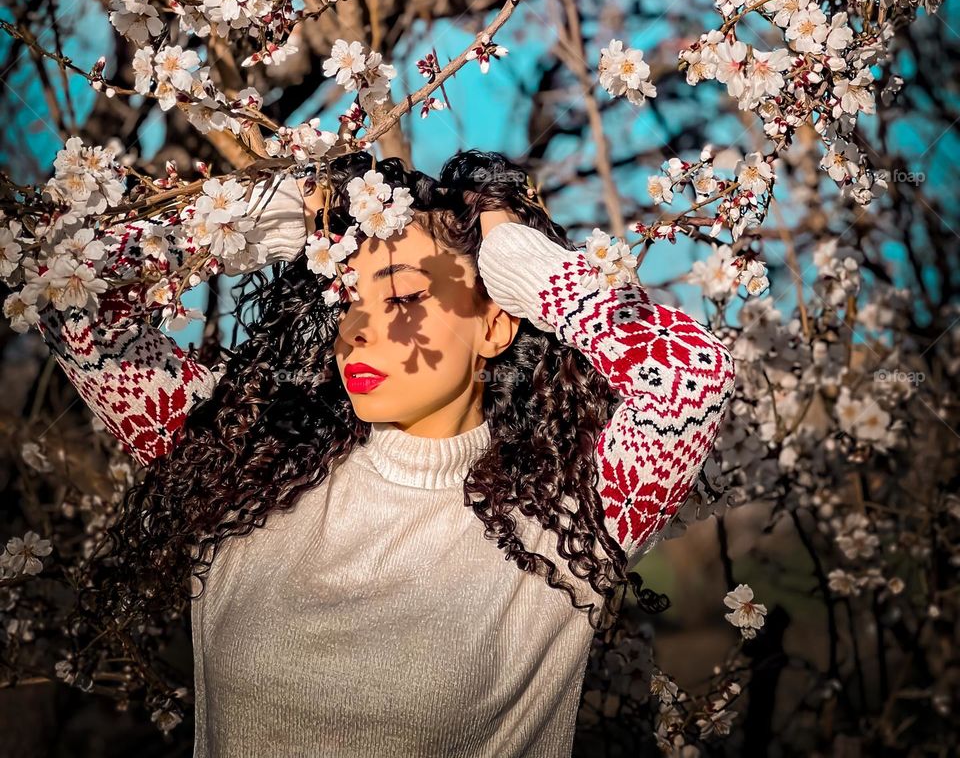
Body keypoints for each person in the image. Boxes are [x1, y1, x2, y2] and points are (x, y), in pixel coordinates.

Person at [41, 149, 736, 757]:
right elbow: (70, 294)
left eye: (403, 295)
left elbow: (691, 377)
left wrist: (510, 249)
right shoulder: (243, 473)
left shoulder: (566, 520)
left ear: (496, 319)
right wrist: (278, 215)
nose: (360, 330)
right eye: (347, 299)